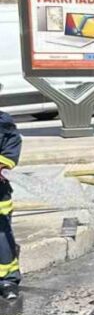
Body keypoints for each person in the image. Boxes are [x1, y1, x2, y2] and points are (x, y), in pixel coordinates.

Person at [0, 111, 22, 300]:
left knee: (2, 235)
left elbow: (12, 146)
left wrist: (3, 164)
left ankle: (8, 280)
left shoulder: (4, 122)